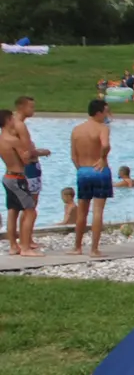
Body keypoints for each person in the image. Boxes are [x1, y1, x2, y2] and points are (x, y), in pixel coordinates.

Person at [2, 96, 50, 256]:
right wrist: (38, 153)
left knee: (13, 210)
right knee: (30, 209)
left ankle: (14, 246)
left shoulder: (3, 136)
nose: (33, 110)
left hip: (8, 176)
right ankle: (25, 246)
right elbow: (26, 155)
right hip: (19, 175)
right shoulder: (18, 130)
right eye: (31, 107)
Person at [69, 98, 113, 258]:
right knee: (97, 211)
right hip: (99, 169)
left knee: (82, 211)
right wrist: (102, 158)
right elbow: (105, 145)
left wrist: (81, 170)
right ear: (99, 112)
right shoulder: (102, 128)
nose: (107, 114)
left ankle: (77, 247)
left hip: (83, 170)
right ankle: (94, 249)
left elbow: (73, 156)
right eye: (106, 111)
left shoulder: (76, 130)